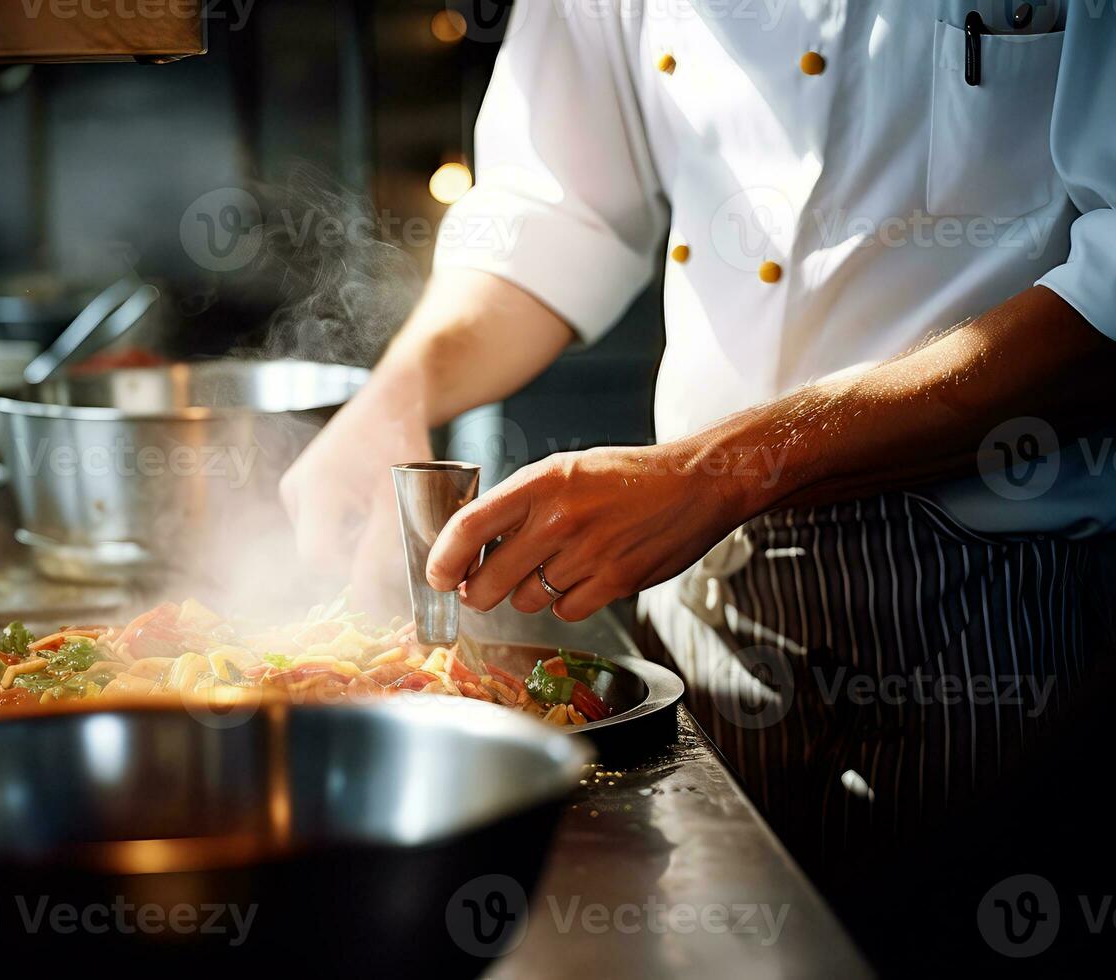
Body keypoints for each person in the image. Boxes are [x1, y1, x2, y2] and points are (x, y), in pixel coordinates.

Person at [280, 0, 1116, 894]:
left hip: (990, 607)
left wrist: (717, 472)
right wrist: (393, 395)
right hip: (695, 590)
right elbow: (553, 213)